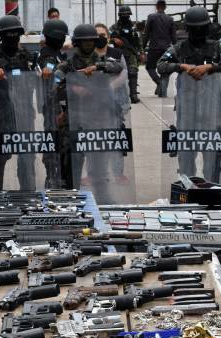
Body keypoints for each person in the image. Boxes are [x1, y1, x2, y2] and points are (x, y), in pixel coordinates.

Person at [157, 6, 221, 182]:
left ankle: (212, 193)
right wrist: (181, 66)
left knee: (212, 164)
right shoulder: (179, 48)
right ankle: (187, 195)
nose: (198, 31)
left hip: (211, 112)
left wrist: (210, 67)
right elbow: (160, 65)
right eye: (195, 28)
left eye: (201, 28)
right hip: (187, 115)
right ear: (188, 29)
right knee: (186, 163)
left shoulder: (218, 47)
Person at [55, 24, 124, 196]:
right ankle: (71, 196)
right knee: (72, 164)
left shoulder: (102, 61)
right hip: (75, 119)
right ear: (77, 43)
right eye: (84, 42)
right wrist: (72, 89)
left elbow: (118, 67)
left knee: (99, 164)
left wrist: (97, 68)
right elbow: (54, 84)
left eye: (91, 41)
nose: (88, 44)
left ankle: (103, 198)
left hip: (98, 118)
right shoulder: (68, 64)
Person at [0, 15, 38, 190]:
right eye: (9, 34)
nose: (13, 37)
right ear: (1, 36)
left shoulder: (27, 56)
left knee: (27, 159)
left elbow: (43, 71)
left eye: (16, 34)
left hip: (24, 115)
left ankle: (28, 197)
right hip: (1, 116)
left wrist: (45, 72)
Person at [95, 23, 131, 185]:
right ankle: (95, 173)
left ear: (108, 37)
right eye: (97, 34)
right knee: (94, 138)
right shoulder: (88, 54)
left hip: (115, 102)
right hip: (94, 104)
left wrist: (110, 86)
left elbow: (124, 73)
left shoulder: (116, 53)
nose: (100, 37)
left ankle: (118, 173)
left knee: (116, 137)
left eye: (103, 34)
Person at [39, 18, 69, 187]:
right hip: (53, 107)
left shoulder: (59, 54)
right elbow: (48, 65)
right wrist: (49, 68)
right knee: (53, 141)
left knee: (63, 144)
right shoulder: (48, 54)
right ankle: (52, 177)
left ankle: (61, 178)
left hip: (62, 106)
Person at [110, 5, 144, 103]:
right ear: (119, 15)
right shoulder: (114, 27)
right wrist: (113, 39)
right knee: (118, 73)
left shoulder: (133, 28)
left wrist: (141, 53)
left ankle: (133, 94)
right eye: (123, 15)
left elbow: (139, 41)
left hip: (131, 53)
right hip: (118, 53)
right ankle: (118, 94)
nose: (125, 17)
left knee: (133, 72)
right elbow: (106, 39)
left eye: (127, 15)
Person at [144, 0, 176, 96]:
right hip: (166, 48)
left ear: (157, 7)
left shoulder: (151, 17)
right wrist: (176, 48)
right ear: (165, 7)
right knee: (165, 69)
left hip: (154, 48)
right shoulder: (170, 19)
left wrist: (142, 47)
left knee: (150, 67)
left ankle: (159, 83)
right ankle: (162, 89)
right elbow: (173, 36)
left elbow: (146, 34)